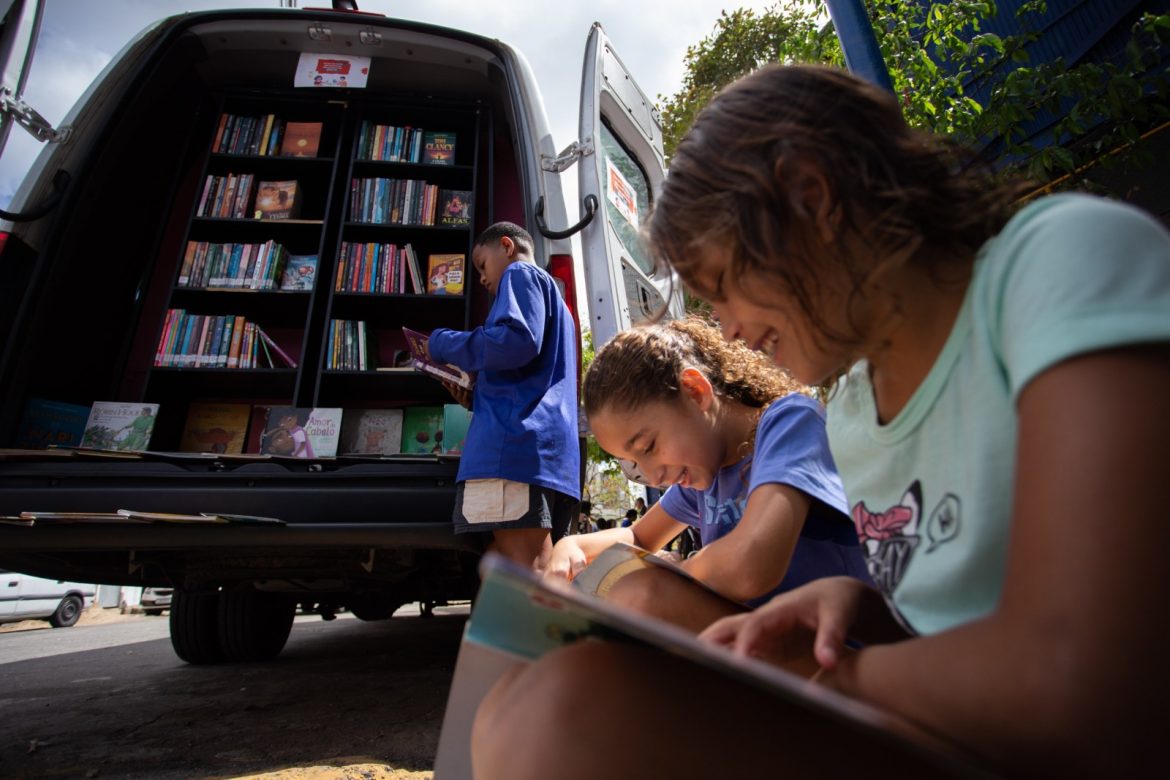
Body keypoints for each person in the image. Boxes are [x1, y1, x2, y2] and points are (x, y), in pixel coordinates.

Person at [471, 65, 1170, 778]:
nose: (731, 331)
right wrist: (863, 607)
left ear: (812, 199)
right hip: (938, 722)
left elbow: (1093, 683)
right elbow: (964, 610)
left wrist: (839, 682)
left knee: (563, 711)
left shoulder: (1057, 263)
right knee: (511, 705)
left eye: (726, 288)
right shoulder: (858, 414)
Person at [542, 317, 868, 634]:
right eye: (636, 462)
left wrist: (678, 572)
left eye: (649, 446)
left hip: (837, 647)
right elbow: (639, 536)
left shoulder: (789, 422)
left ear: (695, 391)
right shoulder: (703, 475)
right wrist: (573, 545)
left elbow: (752, 565)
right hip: (763, 644)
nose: (654, 478)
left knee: (643, 595)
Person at [426, 221, 580, 568]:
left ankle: (532, 626)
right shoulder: (558, 303)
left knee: (527, 568)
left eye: (482, 265)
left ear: (507, 246)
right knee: (505, 566)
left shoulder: (520, 274)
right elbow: (530, 371)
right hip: (547, 456)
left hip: (512, 452)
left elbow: (516, 342)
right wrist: (477, 393)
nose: (481, 279)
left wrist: (441, 343)